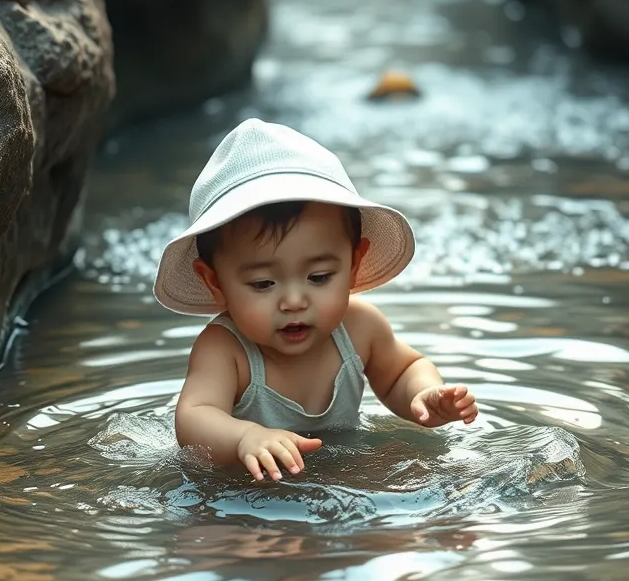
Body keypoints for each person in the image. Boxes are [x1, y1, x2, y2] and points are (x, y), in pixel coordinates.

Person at [155, 119, 478, 482]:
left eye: (319, 277)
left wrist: (426, 393)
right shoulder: (225, 350)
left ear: (354, 265)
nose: (294, 300)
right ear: (215, 282)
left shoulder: (359, 328)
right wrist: (246, 437)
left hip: (338, 473)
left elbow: (401, 370)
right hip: (246, 486)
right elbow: (195, 417)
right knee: (220, 535)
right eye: (263, 283)